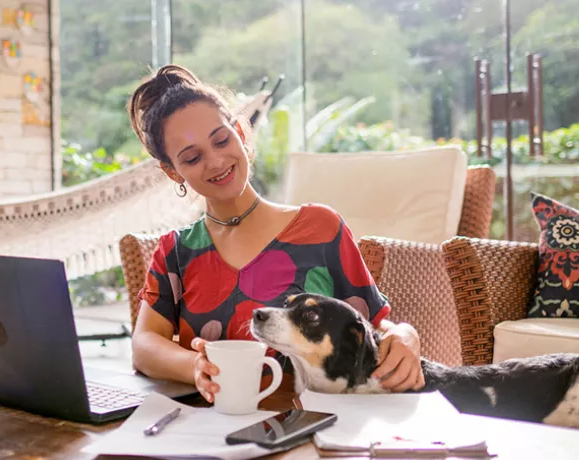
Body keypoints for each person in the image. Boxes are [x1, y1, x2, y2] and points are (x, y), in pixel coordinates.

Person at [126, 65, 425, 403]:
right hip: (212, 433)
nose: (215, 161)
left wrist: (405, 333)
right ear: (172, 172)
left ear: (239, 131)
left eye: (222, 140)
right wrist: (195, 365)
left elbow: (374, 325)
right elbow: (145, 344)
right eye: (192, 158)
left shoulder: (320, 228)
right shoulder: (176, 252)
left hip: (314, 428)